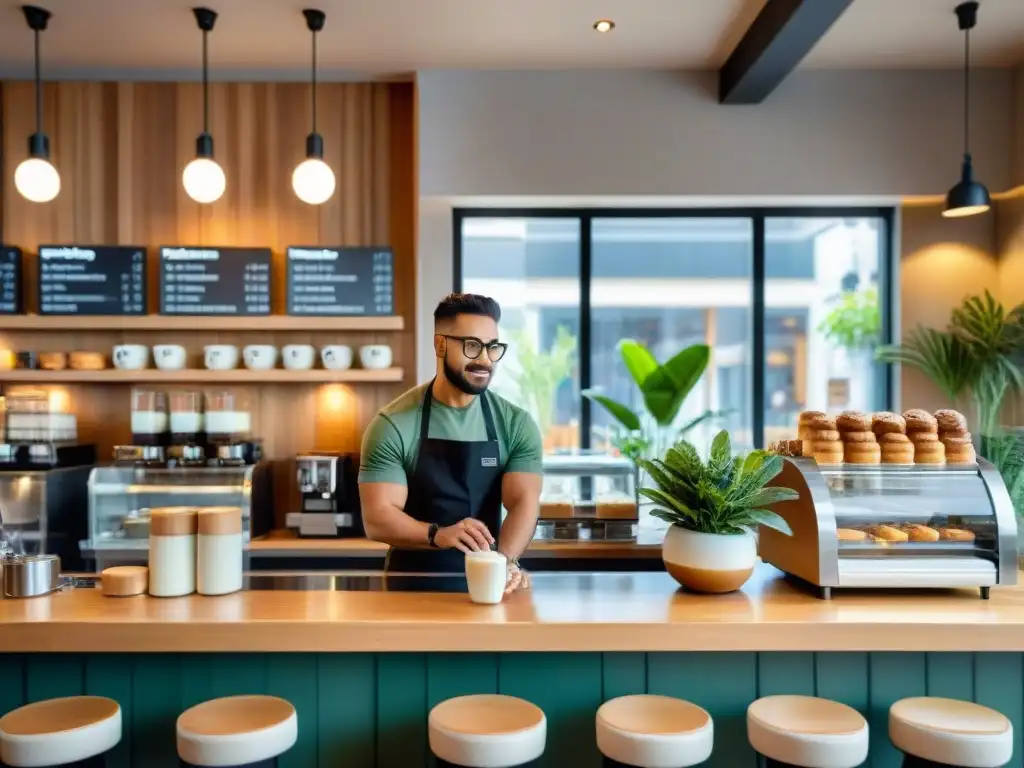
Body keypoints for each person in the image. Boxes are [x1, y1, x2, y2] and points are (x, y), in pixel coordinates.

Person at [358, 292, 543, 594]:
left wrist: (506, 561)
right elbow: (379, 517)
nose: (485, 359)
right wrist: (438, 534)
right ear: (440, 344)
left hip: (488, 584)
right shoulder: (394, 424)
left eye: (492, 347)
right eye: (472, 346)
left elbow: (523, 502)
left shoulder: (515, 424)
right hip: (411, 586)